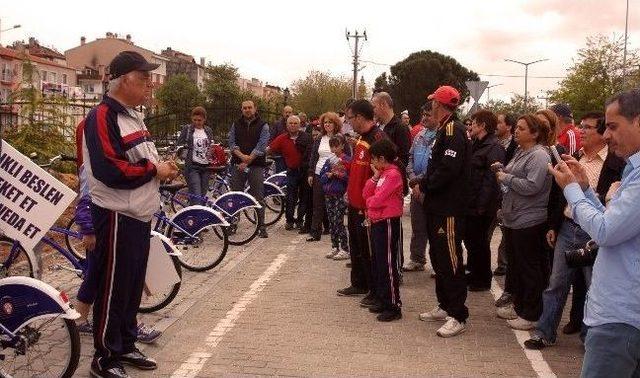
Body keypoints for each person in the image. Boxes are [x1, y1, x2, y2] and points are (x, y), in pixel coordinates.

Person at [82, 51, 179, 377]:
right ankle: (104, 358)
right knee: (113, 288)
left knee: (132, 284)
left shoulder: (133, 116)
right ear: (123, 81)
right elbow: (110, 168)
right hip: (116, 214)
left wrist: (160, 167)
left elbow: (139, 158)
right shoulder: (102, 117)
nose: (149, 86)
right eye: (143, 79)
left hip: (138, 214)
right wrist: (155, 170)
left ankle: (126, 343)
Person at [548, 89, 640, 377]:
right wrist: (586, 190)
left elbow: (605, 231)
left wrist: (572, 191)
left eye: (613, 126)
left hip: (621, 317)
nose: (607, 135)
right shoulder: (632, 171)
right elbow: (614, 222)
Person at [525, 112, 624, 350]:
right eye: (581, 126)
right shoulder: (575, 158)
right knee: (556, 283)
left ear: (602, 133)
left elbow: (610, 204)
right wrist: (553, 225)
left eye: (588, 128)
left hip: (595, 232)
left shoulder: (617, 164)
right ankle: (544, 332)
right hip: (569, 228)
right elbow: (560, 194)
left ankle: (590, 338)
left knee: (593, 287)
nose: (581, 131)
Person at [74, 121, 162, 345]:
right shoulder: (92, 168)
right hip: (102, 228)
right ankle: (85, 320)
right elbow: (85, 200)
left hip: (114, 224)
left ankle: (88, 320)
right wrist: (88, 230)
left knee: (101, 276)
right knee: (99, 276)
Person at [413, 85, 471, 338]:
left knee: (450, 259)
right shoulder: (442, 130)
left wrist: (423, 183)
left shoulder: (453, 130)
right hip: (437, 204)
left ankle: (458, 314)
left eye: (433, 102)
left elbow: (448, 169)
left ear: (440, 104)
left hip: (449, 207)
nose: (431, 107)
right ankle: (444, 304)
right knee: (438, 257)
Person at [494, 114, 552, 331]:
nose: (516, 131)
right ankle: (521, 308)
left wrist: (506, 178)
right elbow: (513, 174)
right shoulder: (520, 151)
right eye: (516, 128)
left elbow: (533, 186)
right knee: (517, 266)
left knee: (530, 268)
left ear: (535, 133)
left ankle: (532, 314)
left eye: (522, 128)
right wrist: (502, 170)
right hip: (514, 217)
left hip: (529, 219)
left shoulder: (538, 155)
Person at [337, 99, 386, 298]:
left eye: (349, 118)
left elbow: (382, 171)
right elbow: (360, 168)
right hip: (355, 202)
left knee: (369, 250)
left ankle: (374, 290)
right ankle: (358, 283)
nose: (348, 123)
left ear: (358, 117)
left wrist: (372, 200)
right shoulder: (361, 138)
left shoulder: (377, 138)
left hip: (368, 206)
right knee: (357, 246)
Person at [363, 138, 406, 322]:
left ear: (382, 158)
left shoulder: (393, 174)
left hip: (387, 221)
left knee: (387, 264)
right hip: (377, 220)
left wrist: (370, 204)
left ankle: (393, 304)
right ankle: (382, 298)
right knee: (379, 262)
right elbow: (366, 193)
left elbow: (377, 199)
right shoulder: (382, 174)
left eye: (374, 159)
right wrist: (373, 178)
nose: (372, 163)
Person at [464, 110, 505, 292]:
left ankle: (481, 279)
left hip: (482, 206)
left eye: (473, 122)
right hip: (471, 202)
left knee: (479, 242)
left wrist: (482, 205)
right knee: (472, 241)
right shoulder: (476, 144)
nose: (470, 125)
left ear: (482, 126)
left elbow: (491, 180)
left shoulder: (494, 147)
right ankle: (474, 274)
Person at [228, 100, 270, 238]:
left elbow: (262, 145)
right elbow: (232, 143)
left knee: (258, 196)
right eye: (244, 108)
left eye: (249, 107)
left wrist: (248, 160)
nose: (247, 110)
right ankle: (233, 224)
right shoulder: (235, 124)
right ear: (241, 109)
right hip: (237, 165)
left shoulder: (263, 125)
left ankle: (261, 226)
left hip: (256, 165)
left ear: (255, 108)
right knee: (235, 196)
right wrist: (242, 157)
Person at [403, 102, 437, 272]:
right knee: (418, 225)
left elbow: (435, 166)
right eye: (423, 115)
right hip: (416, 186)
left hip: (430, 188)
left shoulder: (442, 137)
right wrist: (412, 178)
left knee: (435, 228)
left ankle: (438, 263)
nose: (424, 118)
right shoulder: (419, 136)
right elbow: (409, 158)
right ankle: (417, 258)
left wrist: (420, 182)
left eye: (428, 115)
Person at [267, 115, 313, 230]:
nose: (292, 125)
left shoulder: (307, 138)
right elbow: (270, 149)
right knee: (291, 197)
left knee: (304, 197)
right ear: (287, 125)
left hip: (304, 171)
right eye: (290, 123)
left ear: (300, 125)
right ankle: (289, 220)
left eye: (295, 123)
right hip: (292, 171)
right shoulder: (282, 138)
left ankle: (300, 220)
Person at [306, 112, 342, 241]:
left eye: (330, 122)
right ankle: (315, 232)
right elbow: (313, 157)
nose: (327, 124)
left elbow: (345, 158)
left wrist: (337, 172)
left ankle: (335, 233)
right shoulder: (319, 139)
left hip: (334, 175)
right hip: (319, 174)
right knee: (317, 204)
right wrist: (310, 173)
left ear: (335, 124)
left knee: (334, 206)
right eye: (325, 122)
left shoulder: (340, 138)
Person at [491, 113, 518, 277]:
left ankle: (504, 264)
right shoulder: (493, 143)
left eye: (499, 122)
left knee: (507, 232)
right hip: (493, 194)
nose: (496, 125)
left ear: (509, 126)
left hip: (507, 193)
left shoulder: (515, 146)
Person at [319, 134, 351, 260]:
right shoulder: (328, 160)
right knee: (332, 221)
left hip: (339, 194)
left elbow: (350, 178)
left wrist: (338, 174)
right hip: (328, 194)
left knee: (338, 221)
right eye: (332, 146)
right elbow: (321, 178)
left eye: (336, 146)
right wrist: (328, 175)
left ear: (342, 146)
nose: (334, 149)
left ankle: (345, 248)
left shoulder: (347, 160)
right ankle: (335, 246)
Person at [177, 106, 214, 204]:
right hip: (193, 166)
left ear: (204, 119)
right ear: (191, 118)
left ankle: (195, 216)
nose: (197, 122)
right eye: (195, 120)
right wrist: (183, 150)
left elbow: (211, 145)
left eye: (200, 120)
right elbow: (179, 144)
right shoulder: (187, 129)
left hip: (206, 167)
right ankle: (195, 216)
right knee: (196, 196)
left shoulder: (208, 130)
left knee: (202, 196)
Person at [372, 92, 411, 171]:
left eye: (374, 107)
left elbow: (404, 160)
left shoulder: (400, 128)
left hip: (392, 179)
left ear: (383, 105)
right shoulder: (378, 127)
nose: (373, 111)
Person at [270, 105, 294, 173]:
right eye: (286, 112)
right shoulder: (277, 124)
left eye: (289, 112)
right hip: (279, 156)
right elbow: (271, 138)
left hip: (291, 156)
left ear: (292, 113)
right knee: (280, 176)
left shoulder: (295, 124)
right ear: (283, 113)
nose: (287, 114)